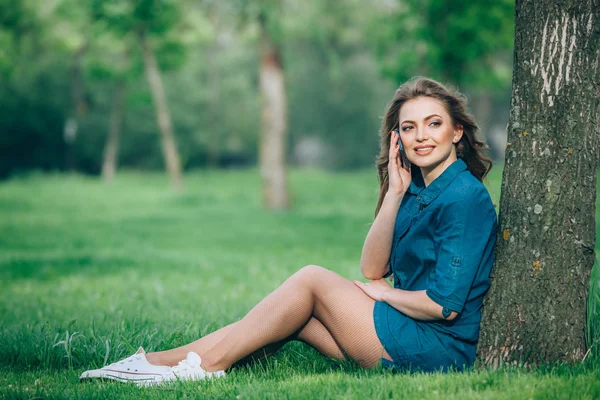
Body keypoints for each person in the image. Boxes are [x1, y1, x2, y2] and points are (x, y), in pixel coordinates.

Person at [80, 76, 498, 385]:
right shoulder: (417, 187)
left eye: (433, 124)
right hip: (408, 327)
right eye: (409, 128)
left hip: (438, 346)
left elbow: (445, 305)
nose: (421, 136)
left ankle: (202, 370)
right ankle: (155, 363)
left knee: (312, 279)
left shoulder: (463, 196)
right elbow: (372, 267)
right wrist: (393, 193)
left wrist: (384, 293)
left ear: (457, 131)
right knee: (285, 317)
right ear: (397, 138)